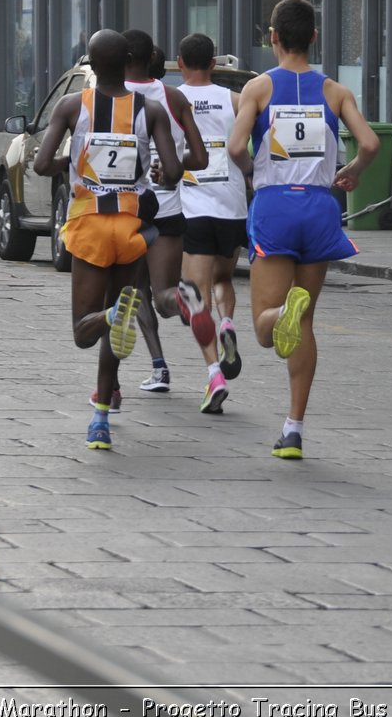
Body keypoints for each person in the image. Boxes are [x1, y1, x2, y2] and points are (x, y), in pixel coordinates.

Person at [227, 0, 380, 460]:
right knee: (306, 322)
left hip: (274, 205)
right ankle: (293, 428)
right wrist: (352, 169)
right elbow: (371, 142)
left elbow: (235, 147)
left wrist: (254, 173)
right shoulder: (335, 92)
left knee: (262, 327)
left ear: (272, 37)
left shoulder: (258, 88)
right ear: (313, 37)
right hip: (319, 207)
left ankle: (281, 313)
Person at [33, 29, 187, 451]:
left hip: (89, 228)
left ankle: (118, 312)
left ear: (91, 65)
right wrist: (157, 173)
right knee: (112, 330)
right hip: (131, 229)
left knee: (86, 330)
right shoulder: (150, 109)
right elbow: (173, 172)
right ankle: (100, 417)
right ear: (127, 63)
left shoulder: (71, 105)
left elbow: (43, 164)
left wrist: (72, 159)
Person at [121, 32, 213, 408]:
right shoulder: (174, 97)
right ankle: (184, 304)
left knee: (129, 293)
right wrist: (169, 166)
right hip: (169, 208)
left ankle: (151, 370)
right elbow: (201, 158)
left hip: (124, 210)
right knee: (159, 295)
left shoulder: (105, 96)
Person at [175, 32, 250, 401]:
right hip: (232, 203)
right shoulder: (234, 99)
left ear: (180, 62)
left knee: (195, 295)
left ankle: (214, 374)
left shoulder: (173, 100)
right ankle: (228, 323)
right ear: (215, 63)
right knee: (224, 278)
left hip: (193, 205)